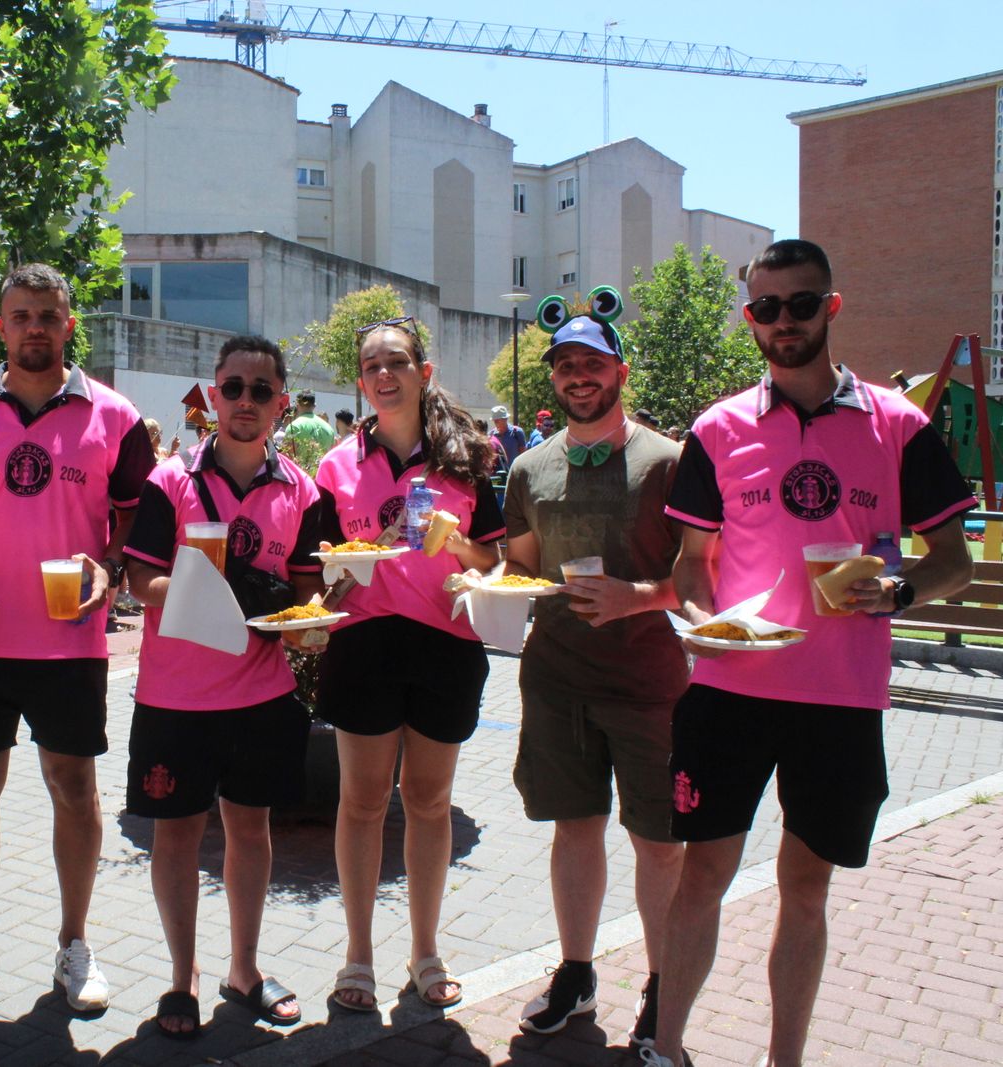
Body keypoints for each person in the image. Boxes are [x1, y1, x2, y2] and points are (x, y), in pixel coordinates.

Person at [645, 239, 976, 1067]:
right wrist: (697, 619)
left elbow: (954, 560)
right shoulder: (717, 429)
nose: (782, 321)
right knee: (701, 875)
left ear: (831, 306)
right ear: (750, 318)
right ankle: (666, 1046)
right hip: (731, 687)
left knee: (807, 887)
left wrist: (899, 591)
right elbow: (691, 562)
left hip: (840, 695)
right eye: (766, 308)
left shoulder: (900, 426)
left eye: (800, 304)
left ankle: (782, 1059)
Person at [0, 262, 155, 1016]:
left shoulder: (117, 418)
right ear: (1, 324)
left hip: (70, 644)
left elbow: (135, 529)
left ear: (70, 323)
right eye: (21, 315)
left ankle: (75, 945)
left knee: (74, 794)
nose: (35, 326)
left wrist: (109, 571)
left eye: (49, 314)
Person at [121, 335, 324, 1037]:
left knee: (250, 828)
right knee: (173, 836)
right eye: (232, 387)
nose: (244, 401)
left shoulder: (304, 490)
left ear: (281, 402)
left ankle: (244, 969)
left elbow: (306, 590)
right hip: (175, 695)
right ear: (213, 393)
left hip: (262, 694)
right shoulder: (169, 482)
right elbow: (138, 578)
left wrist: (305, 619)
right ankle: (182, 977)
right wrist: (197, 590)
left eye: (260, 390)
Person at [497, 313, 686, 1050]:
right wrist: (483, 587)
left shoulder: (668, 462)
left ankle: (664, 986)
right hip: (555, 680)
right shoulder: (527, 469)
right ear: (554, 378)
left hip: (648, 683)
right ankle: (576, 974)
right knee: (575, 828)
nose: (579, 375)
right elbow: (521, 568)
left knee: (659, 843)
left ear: (620, 371)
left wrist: (637, 597)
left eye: (593, 362)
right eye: (565, 364)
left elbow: (708, 572)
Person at [316, 316, 505, 1013]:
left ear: (424, 372)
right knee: (362, 803)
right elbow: (325, 572)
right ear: (361, 381)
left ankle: (426, 949)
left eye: (396, 361)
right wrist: (340, 573)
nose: (383, 375)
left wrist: (458, 550)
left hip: (445, 646)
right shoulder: (337, 465)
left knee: (428, 803)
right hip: (365, 646)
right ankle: (357, 955)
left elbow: (494, 560)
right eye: (371, 366)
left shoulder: (467, 458)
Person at [283, 390, 337, 456]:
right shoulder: (329, 429)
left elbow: (287, 458)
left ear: (297, 405)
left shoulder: (293, 427)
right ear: (314, 405)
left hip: (300, 466)